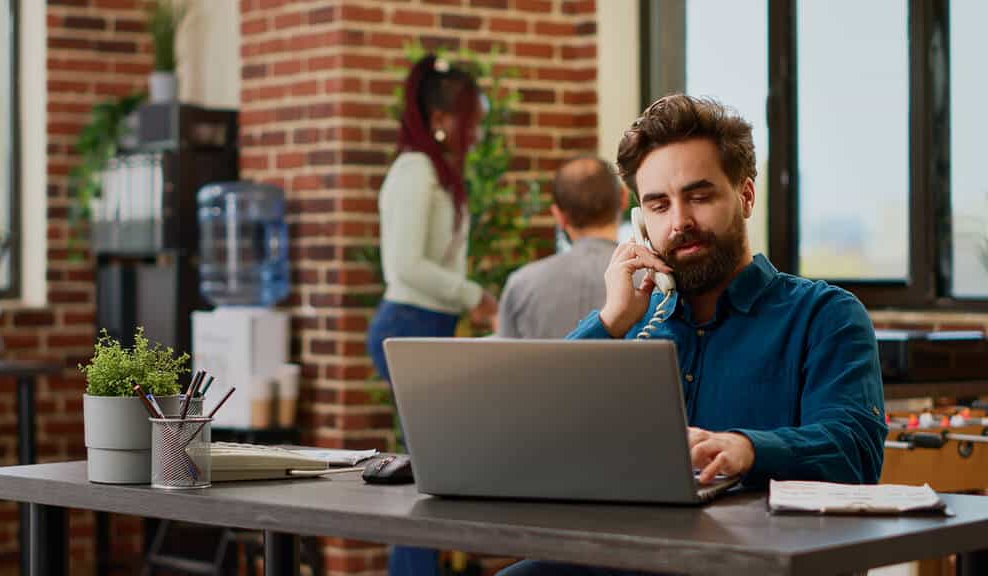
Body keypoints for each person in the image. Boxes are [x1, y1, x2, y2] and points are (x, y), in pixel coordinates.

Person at [498, 95, 887, 576]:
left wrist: (746, 449)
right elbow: (532, 433)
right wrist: (612, 318)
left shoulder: (826, 315)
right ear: (640, 221)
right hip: (637, 555)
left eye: (699, 196)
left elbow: (855, 449)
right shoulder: (635, 323)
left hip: (757, 561)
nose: (679, 221)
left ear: (745, 196)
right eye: (658, 205)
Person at [365, 54, 496, 576]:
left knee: (432, 470)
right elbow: (405, 266)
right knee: (429, 476)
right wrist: (476, 297)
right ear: (442, 120)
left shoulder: (434, 171)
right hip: (408, 326)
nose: (478, 132)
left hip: (426, 328)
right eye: (473, 119)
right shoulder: (414, 171)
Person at [496, 157, 627, 339]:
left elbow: (504, 364)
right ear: (624, 198)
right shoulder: (654, 281)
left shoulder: (521, 286)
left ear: (559, 216)